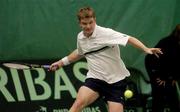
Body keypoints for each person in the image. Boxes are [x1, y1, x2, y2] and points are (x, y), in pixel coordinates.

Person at [49, 6, 162, 112]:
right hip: (95, 79)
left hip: (115, 82)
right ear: (79, 24)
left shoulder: (106, 33)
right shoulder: (80, 37)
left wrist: (145, 49)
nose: (88, 26)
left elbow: (129, 39)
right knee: (78, 104)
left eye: (91, 23)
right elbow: (79, 52)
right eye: (84, 23)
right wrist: (61, 63)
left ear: (95, 20)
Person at [145, 24, 180, 112]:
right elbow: (162, 61)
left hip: (166, 71)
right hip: (155, 68)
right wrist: (162, 77)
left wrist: (175, 77)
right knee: (159, 95)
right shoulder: (168, 42)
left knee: (172, 95)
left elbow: (177, 63)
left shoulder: (177, 44)